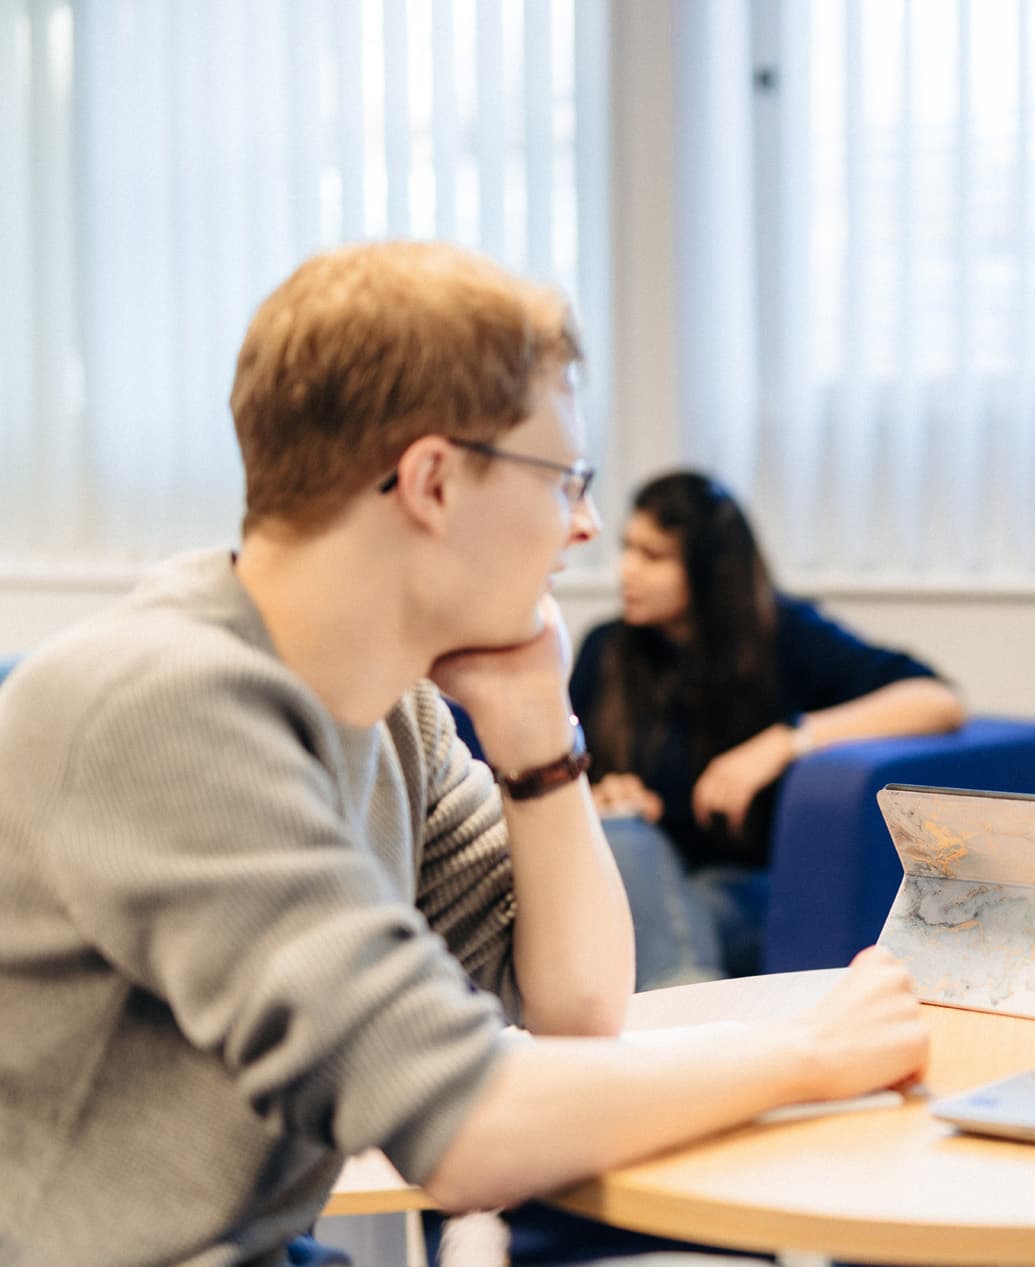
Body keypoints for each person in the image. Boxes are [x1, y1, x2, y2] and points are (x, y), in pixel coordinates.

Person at [0, 241, 928, 1267]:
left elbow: (580, 1008)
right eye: (563, 478)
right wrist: (805, 1054)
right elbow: (468, 1135)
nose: (580, 526)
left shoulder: (393, 711)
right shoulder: (163, 706)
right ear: (434, 481)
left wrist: (537, 734)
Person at [566, 470, 965, 985]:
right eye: (627, 549)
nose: (626, 571)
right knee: (626, 839)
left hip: (743, 887)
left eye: (654, 556)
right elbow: (567, 777)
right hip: (630, 875)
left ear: (708, 568)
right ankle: (703, 1039)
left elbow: (937, 700)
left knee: (687, 917)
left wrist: (785, 741)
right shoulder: (605, 649)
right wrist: (600, 796)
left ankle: (687, 1030)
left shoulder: (783, 636)